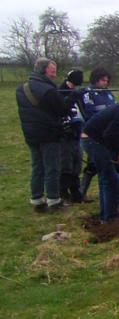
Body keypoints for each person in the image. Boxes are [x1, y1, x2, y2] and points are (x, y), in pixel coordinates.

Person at [16, 58, 81, 211]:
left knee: (37, 166)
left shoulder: (21, 89)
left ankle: (37, 200)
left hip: (30, 134)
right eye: (52, 71)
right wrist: (74, 96)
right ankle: (53, 200)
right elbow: (62, 109)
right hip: (49, 134)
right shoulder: (48, 90)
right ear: (45, 70)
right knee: (52, 167)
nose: (54, 75)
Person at [80, 68, 117, 199]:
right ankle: (82, 192)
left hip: (107, 132)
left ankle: (82, 192)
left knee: (96, 163)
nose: (105, 82)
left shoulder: (109, 94)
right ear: (95, 79)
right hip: (93, 134)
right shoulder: (88, 94)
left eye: (107, 80)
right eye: (102, 80)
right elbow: (89, 113)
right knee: (96, 163)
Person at [58, 69, 85, 203]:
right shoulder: (60, 92)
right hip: (65, 134)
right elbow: (61, 109)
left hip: (77, 132)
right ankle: (63, 193)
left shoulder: (77, 94)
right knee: (65, 165)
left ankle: (76, 193)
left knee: (77, 164)